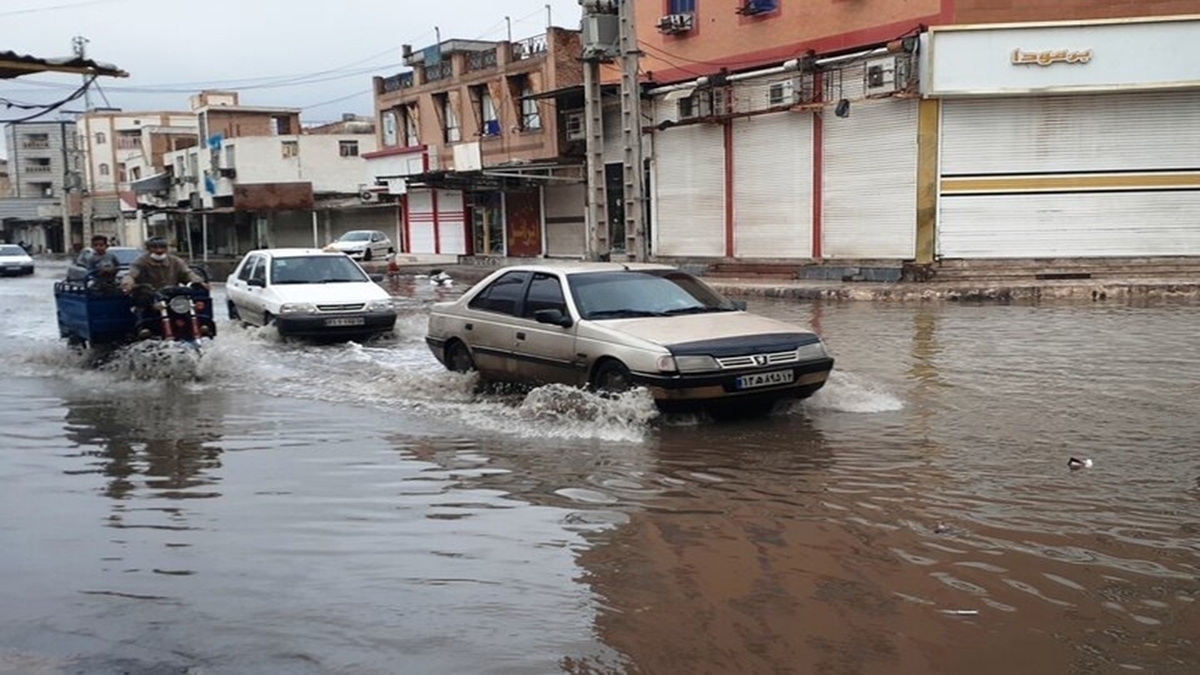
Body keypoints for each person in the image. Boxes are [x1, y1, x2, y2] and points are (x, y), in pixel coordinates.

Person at [120, 237, 207, 297]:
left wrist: (198, 281)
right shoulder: (141, 262)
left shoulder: (175, 261)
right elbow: (131, 274)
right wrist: (127, 284)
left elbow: (187, 273)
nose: (159, 250)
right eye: (155, 247)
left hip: (172, 294)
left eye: (162, 247)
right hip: (150, 295)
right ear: (148, 249)